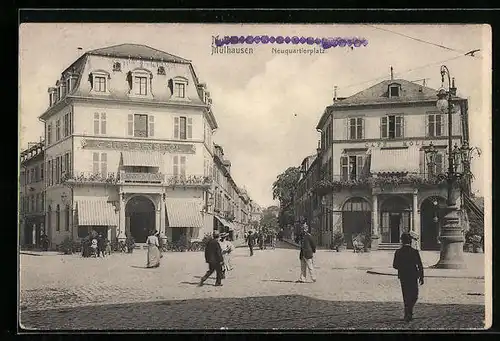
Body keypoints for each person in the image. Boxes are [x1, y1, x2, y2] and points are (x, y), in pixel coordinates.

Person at [393, 232, 424, 322]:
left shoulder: (398, 252)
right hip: (413, 276)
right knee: (414, 295)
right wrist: (422, 277)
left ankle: (408, 312)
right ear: (410, 241)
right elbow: (420, 265)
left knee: (406, 295)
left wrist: (402, 267)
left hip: (403, 276)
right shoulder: (414, 252)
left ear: (402, 241)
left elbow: (395, 265)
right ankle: (409, 312)